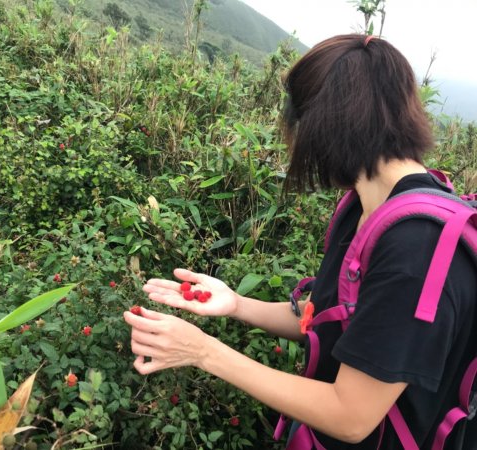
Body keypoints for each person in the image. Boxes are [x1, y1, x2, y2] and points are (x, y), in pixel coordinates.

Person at [123, 34, 477, 449]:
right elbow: (334, 320)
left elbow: (351, 416)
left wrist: (203, 351)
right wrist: (236, 304)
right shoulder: (364, 207)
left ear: (324, 124)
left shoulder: (416, 250)